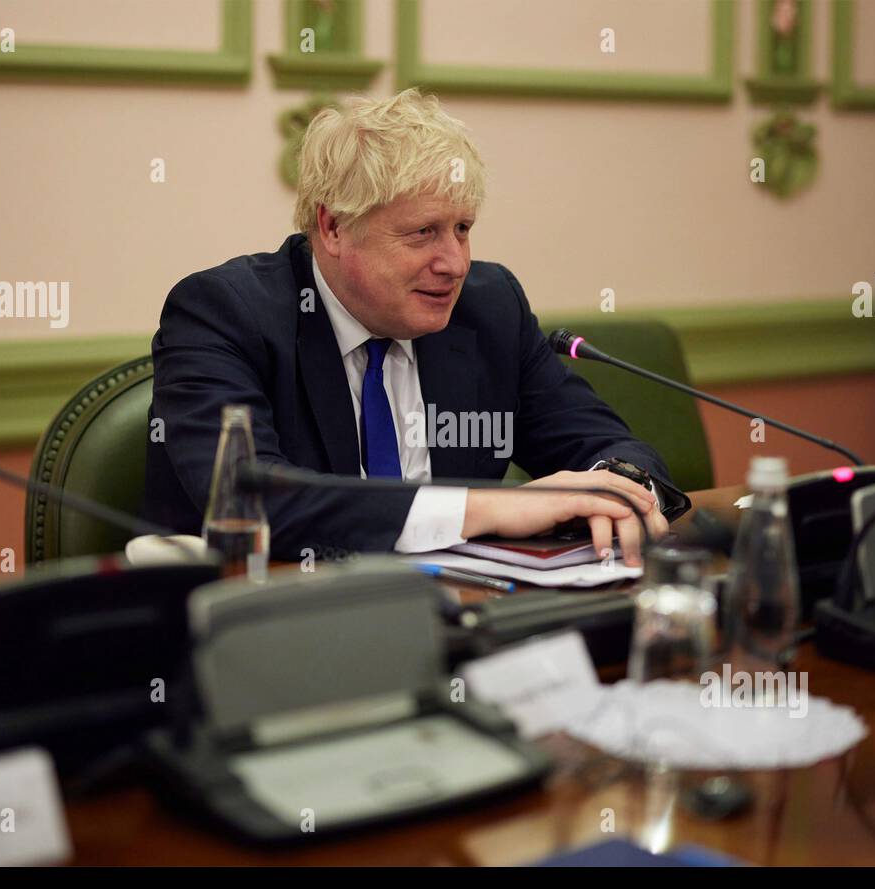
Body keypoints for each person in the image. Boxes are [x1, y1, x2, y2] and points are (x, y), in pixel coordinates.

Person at [143, 89, 689, 566]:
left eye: (462, 228)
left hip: (456, 625)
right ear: (333, 227)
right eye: (423, 232)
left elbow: (610, 444)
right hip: (267, 637)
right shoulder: (222, 312)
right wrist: (493, 507)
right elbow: (252, 499)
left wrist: (625, 489)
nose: (454, 262)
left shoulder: (489, 308)